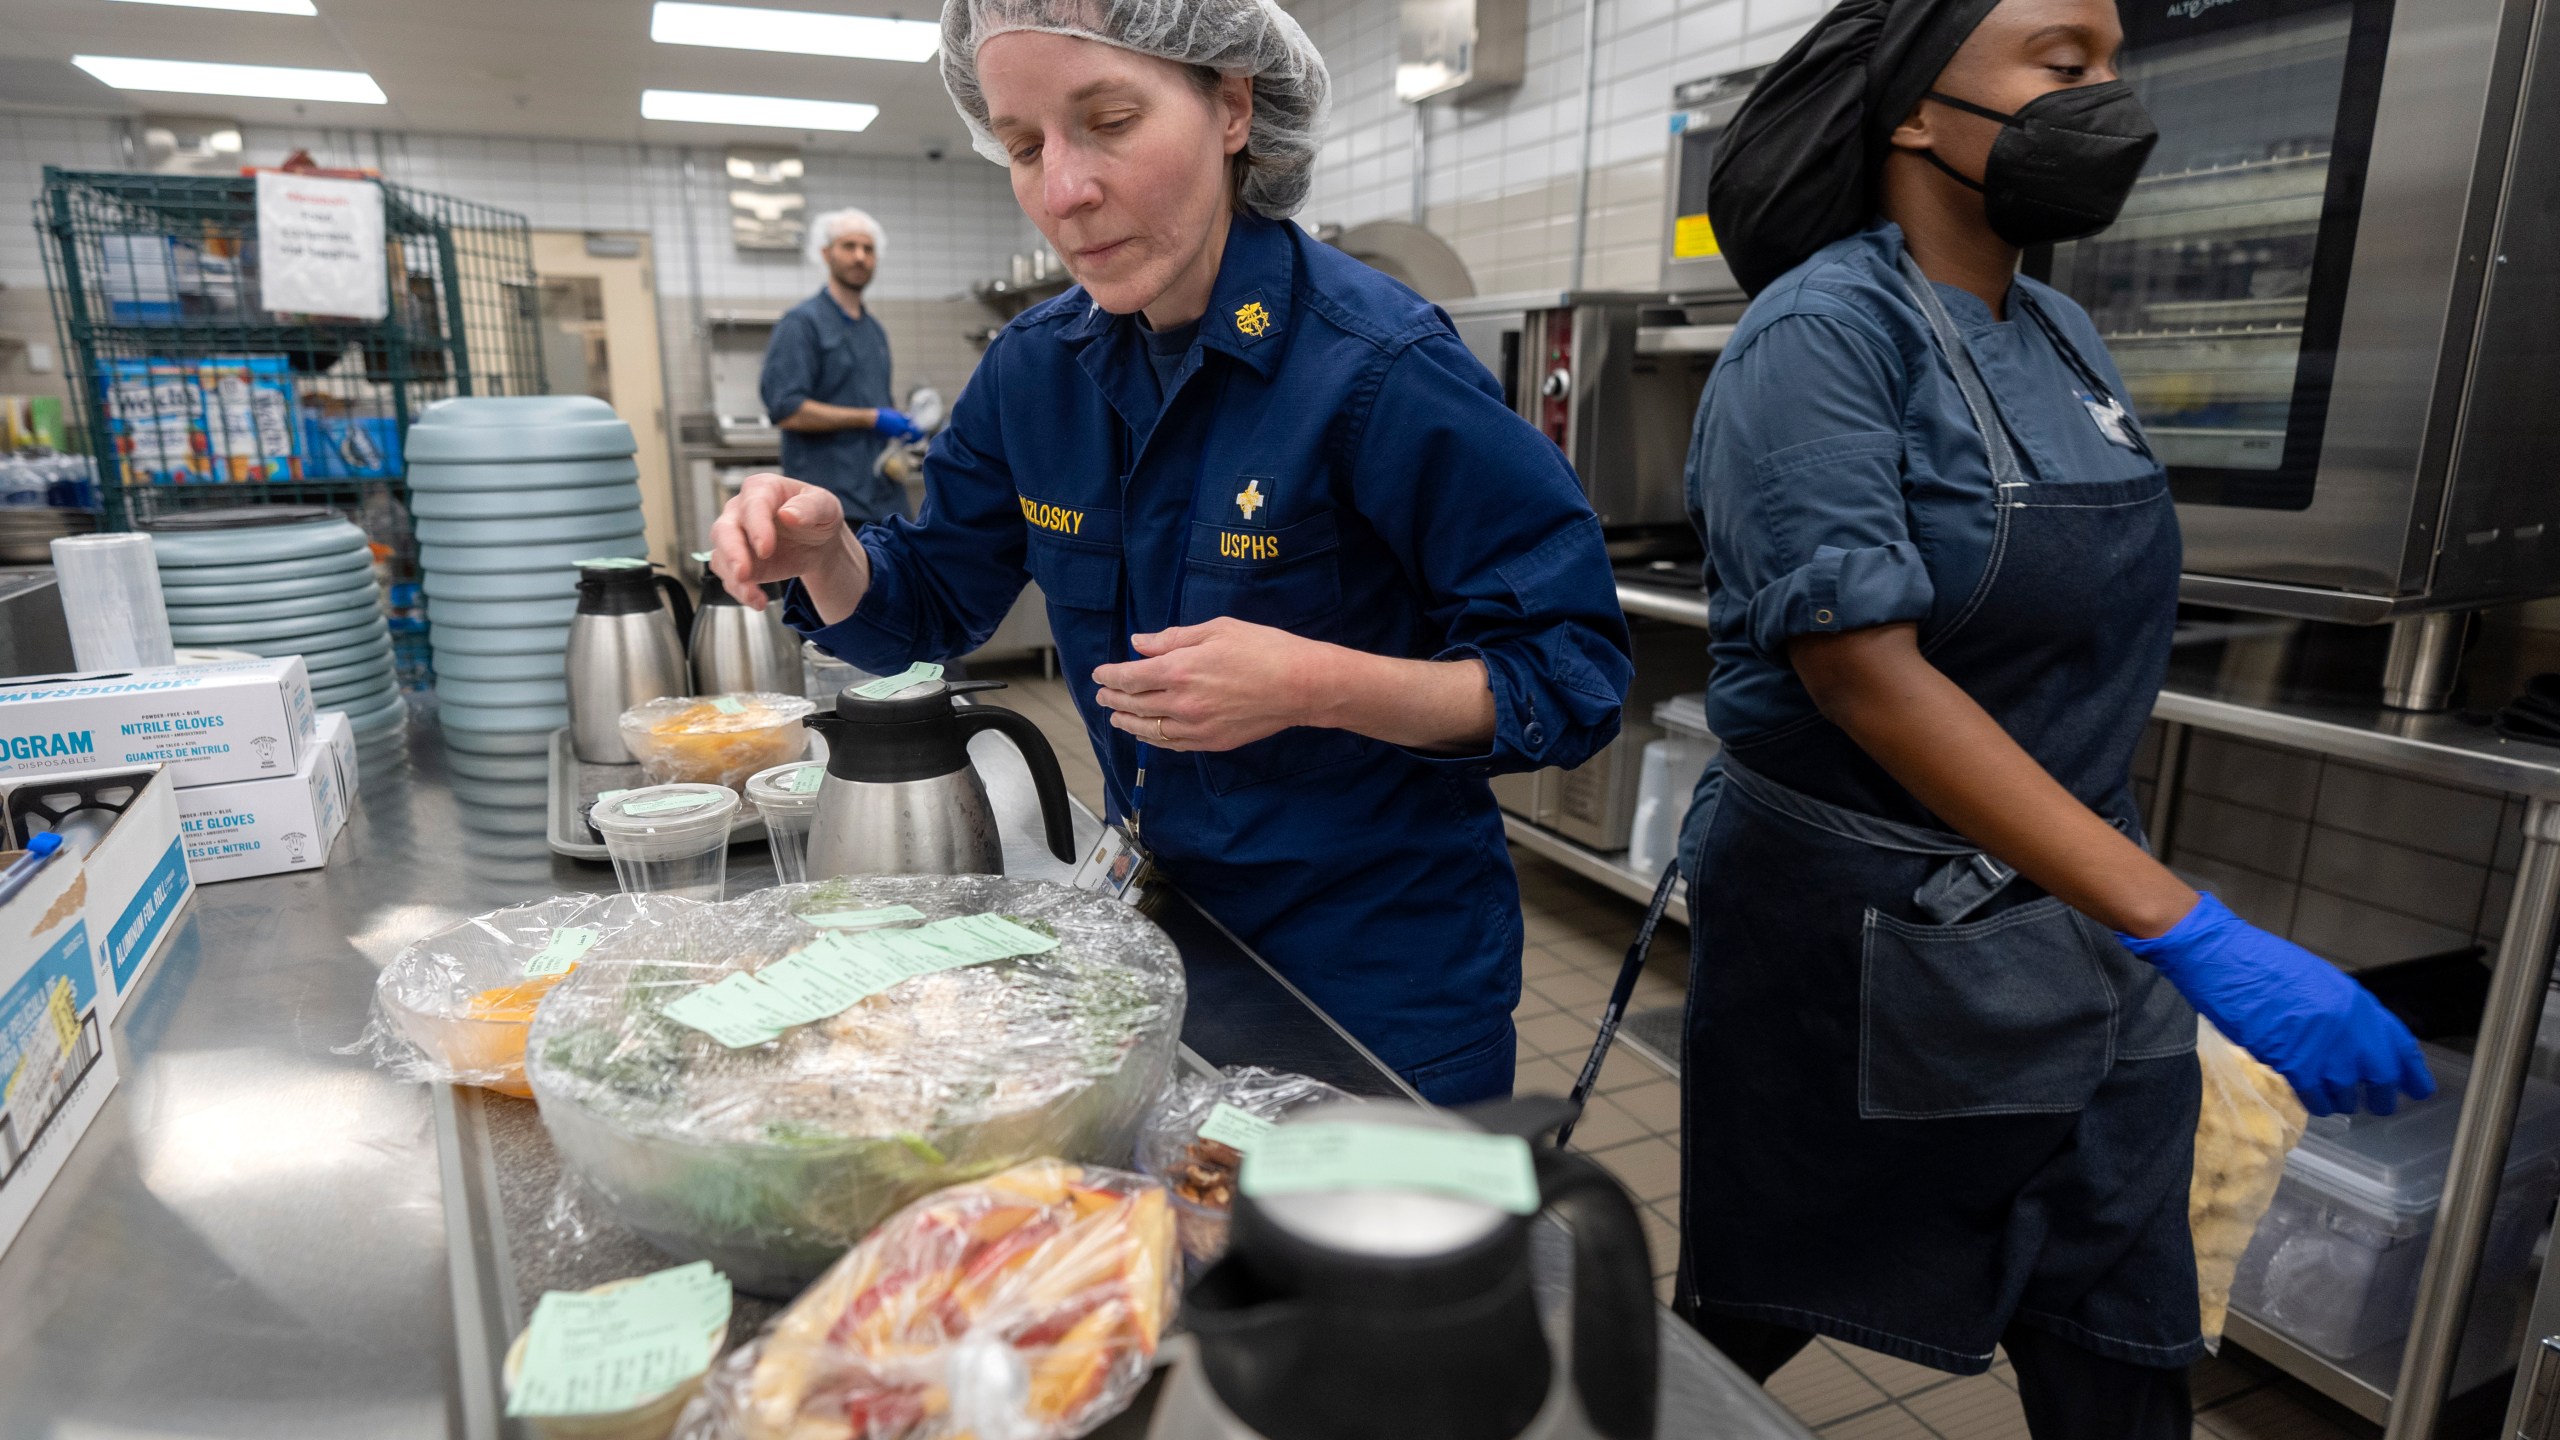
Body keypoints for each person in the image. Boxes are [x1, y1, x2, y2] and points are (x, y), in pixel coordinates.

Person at [1669, 0, 2434, 1431]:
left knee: (2126, 1348)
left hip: (2082, 947)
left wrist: (2142, 925)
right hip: (1869, 960)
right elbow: (1864, 675)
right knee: (1753, 1319)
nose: (2110, 100)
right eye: (2062, 64)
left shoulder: (2063, 330)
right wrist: (2190, 926)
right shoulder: (1822, 332)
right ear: (1912, 108)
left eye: (2114, 63)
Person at [710, 0, 1631, 1103]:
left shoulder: (1377, 371)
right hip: (1159, 944)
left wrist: (1310, 684)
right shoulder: (1036, 371)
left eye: (1108, 119)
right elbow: (933, 602)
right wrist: (826, 556)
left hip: (1377, 986)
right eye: (1023, 145)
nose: (1063, 191)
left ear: (1232, 106)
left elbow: (1571, 674)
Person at [760, 207, 927, 525]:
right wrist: (872, 418)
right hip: (828, 499)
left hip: (883, 497)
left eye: (868, 249)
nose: (860, 257)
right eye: (849, 246)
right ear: (826, 254)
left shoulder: (874, 330)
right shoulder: (801, 324)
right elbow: (787, 410)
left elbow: (875, 398)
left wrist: (902, 426)